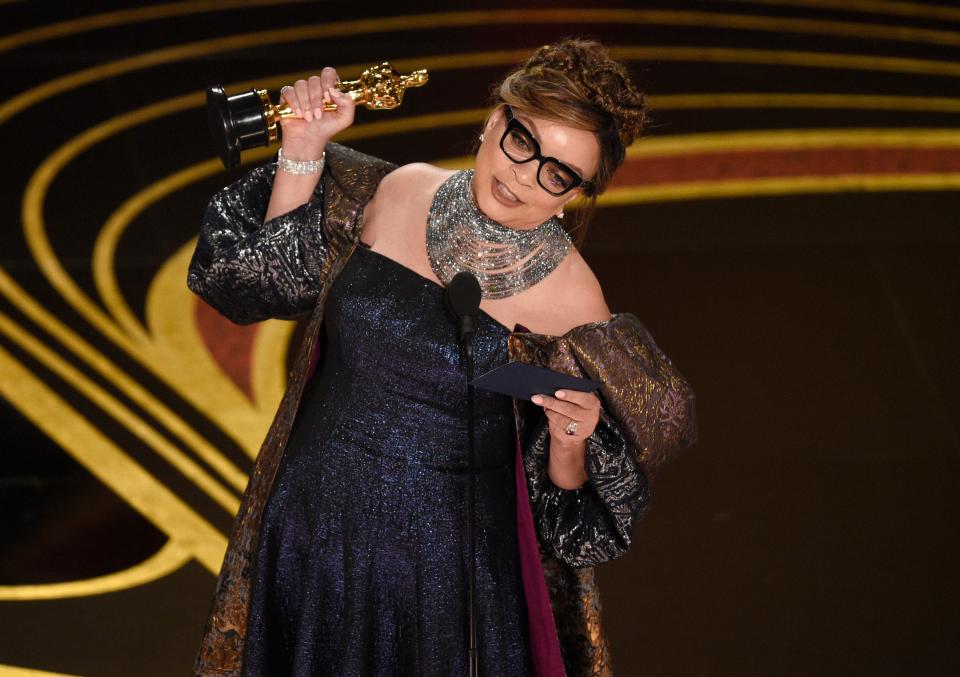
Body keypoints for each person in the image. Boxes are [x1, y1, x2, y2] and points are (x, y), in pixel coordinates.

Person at [189, 39, 697, 677]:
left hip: (438, 581)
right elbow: (256, 287)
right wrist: (301, 152)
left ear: (574, 195)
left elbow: (573, 530)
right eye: (521, 141)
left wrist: (570, 447)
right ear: (493, 119)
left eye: (558, 174)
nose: (523, 177)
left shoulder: (574, 303)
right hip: (310, 531)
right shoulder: (399, 190)